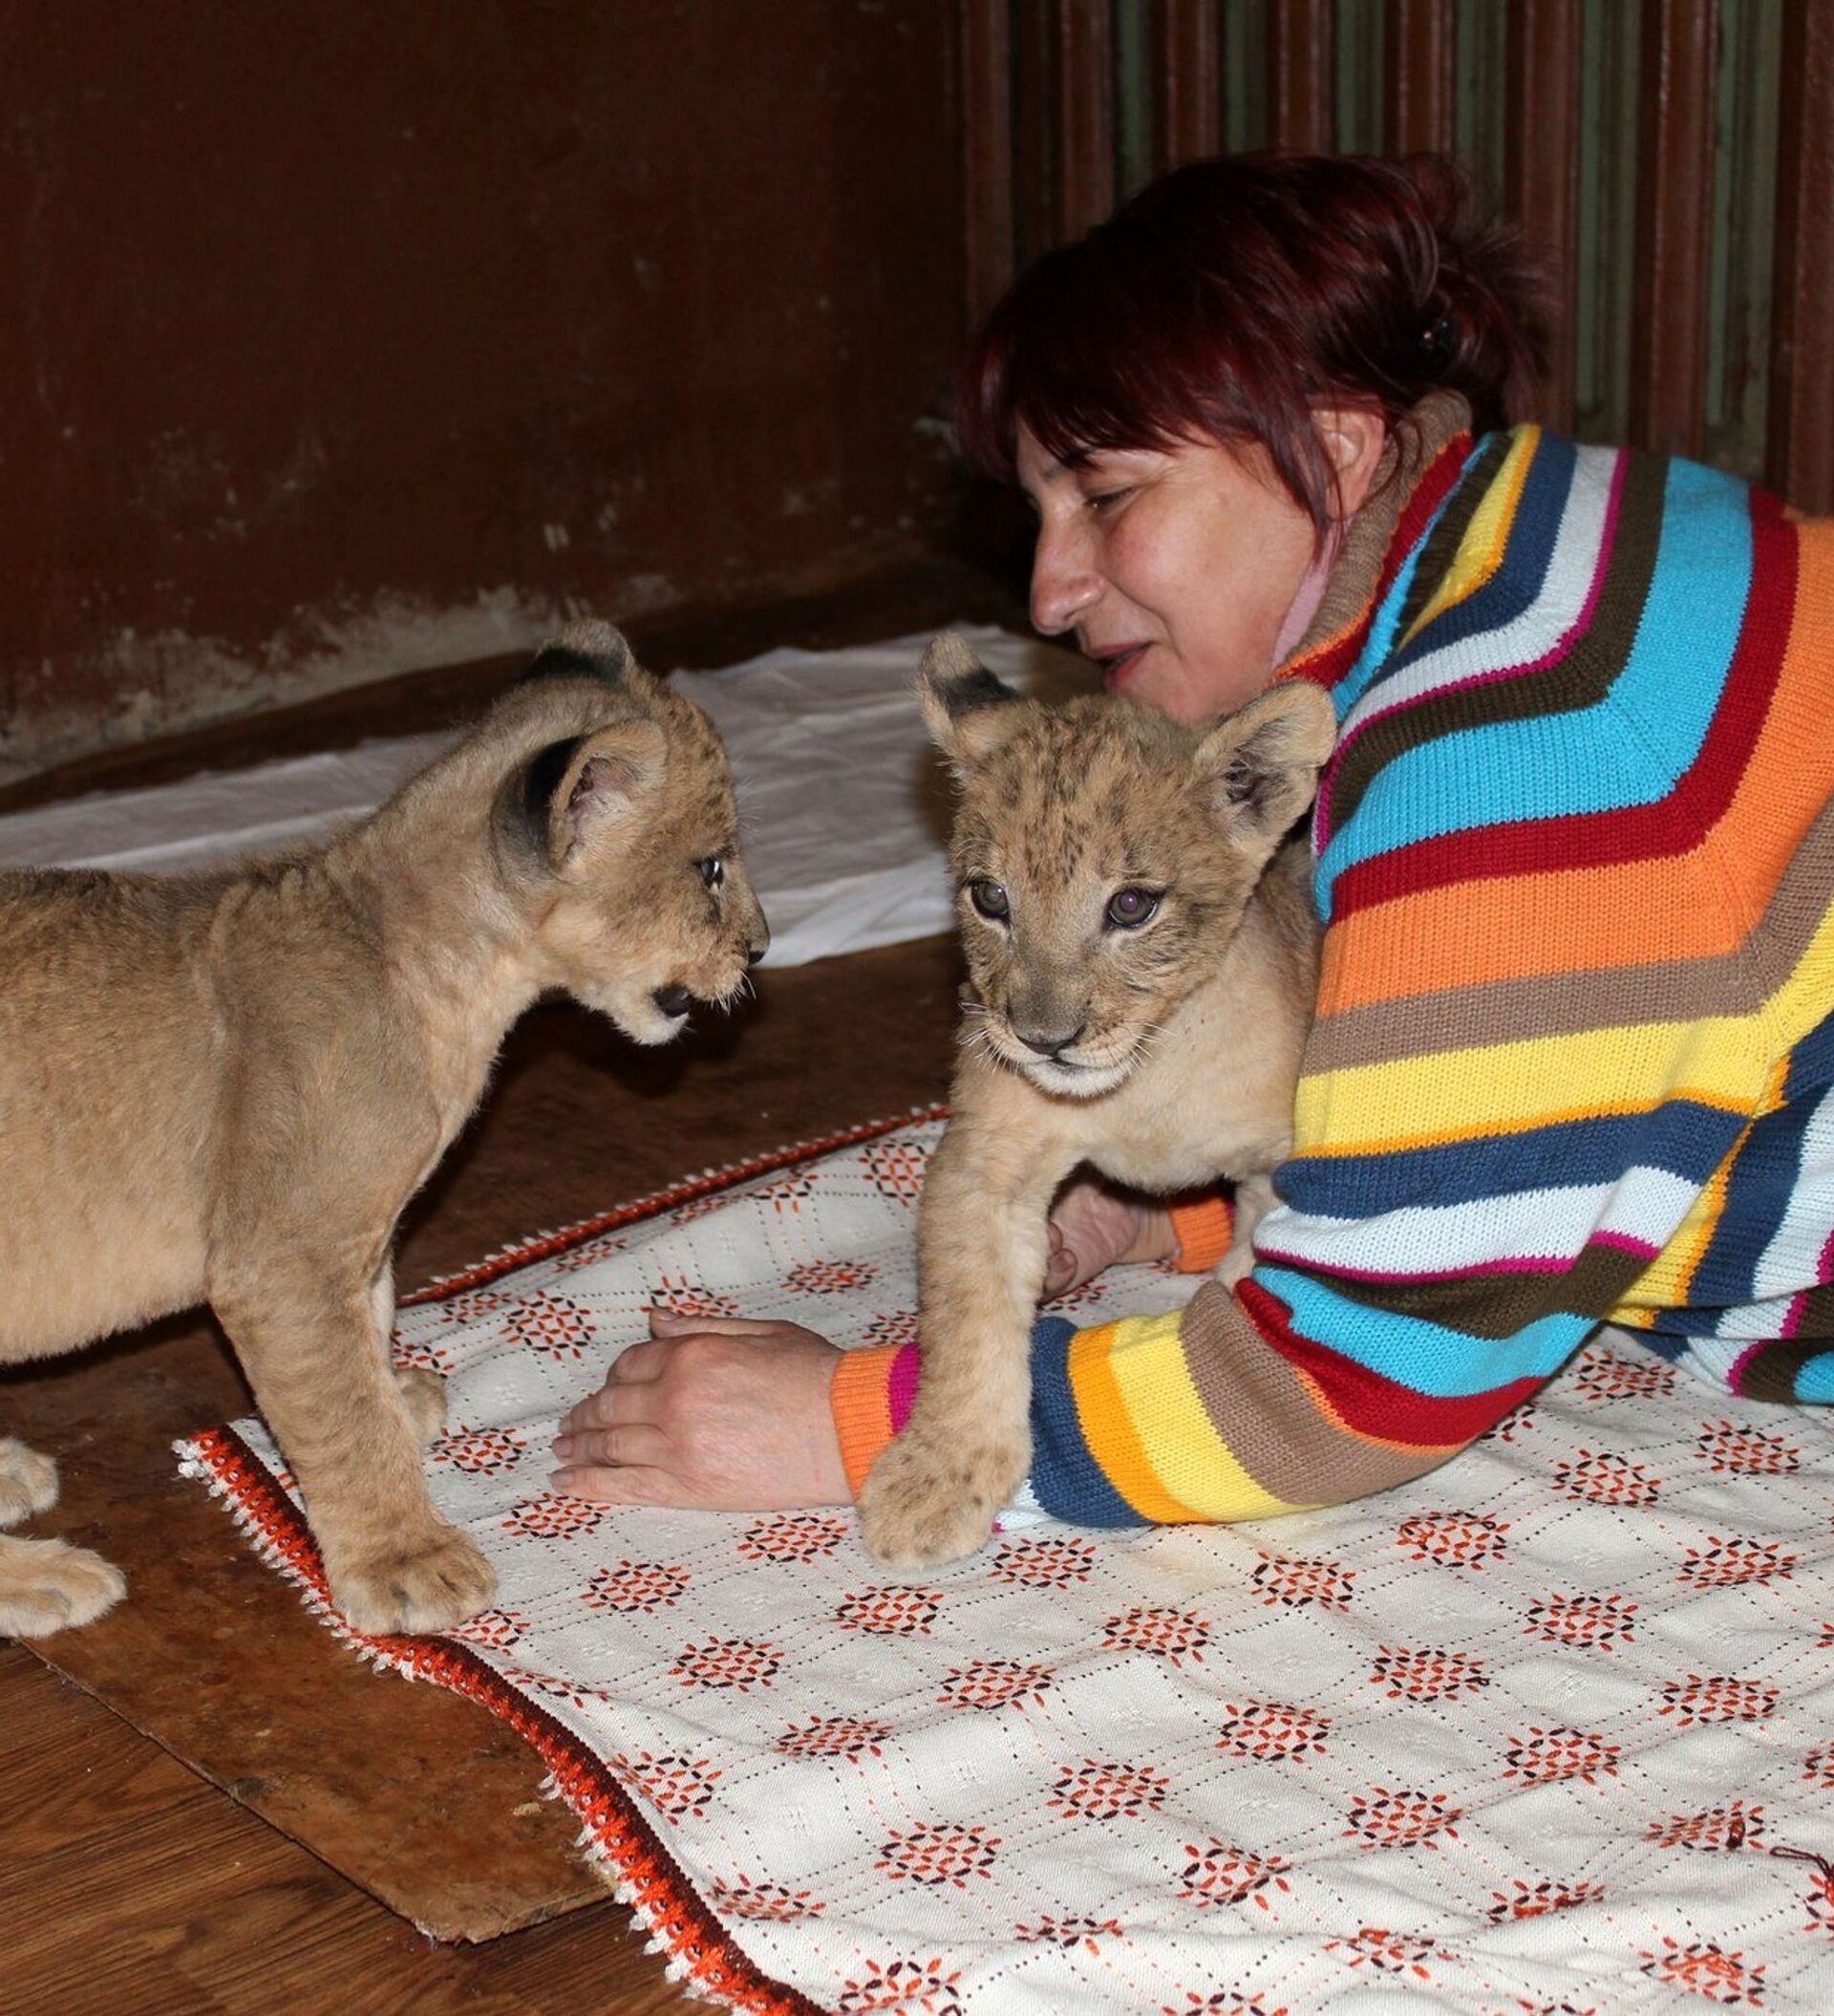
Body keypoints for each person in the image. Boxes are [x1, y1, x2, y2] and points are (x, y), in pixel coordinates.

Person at [551, 152, 1834, 1523]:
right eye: (1037, 516)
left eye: (1106, 497)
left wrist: (862, 1425)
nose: (1047, 592)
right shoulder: (1543, 523)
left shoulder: (1510, 748)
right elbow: (1579, 1089)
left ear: (1337, 446)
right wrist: (1196, 1207)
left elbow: (1341, 1387)